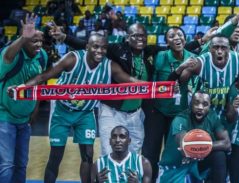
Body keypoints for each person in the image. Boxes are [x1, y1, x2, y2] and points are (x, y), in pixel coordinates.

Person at [16, 33, 140, 183]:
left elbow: (131, 81)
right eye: (95, 46)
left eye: (103, 48)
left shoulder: (109, 66)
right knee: (56, 156)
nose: (99, 51)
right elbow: (44, 76)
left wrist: (158, 87)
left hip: (86, 113)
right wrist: (21, 88)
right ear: (87, 46)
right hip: (62, 110)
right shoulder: (72, 59)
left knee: (88, 155)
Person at [50, 23, 167, 155]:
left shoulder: (149, 52)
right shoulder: (117, 49)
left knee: (133, 154)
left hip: (135, 114)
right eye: (136, 35)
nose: (140, 38)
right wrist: (64, 37)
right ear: (128, 38)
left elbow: (172, 48)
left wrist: (195, 44)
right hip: (112, 111)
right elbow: (88, 46)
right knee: (109, 152)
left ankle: (127, 176)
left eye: (143, 35)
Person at [143, 27, 196, 181]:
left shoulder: (193, 58)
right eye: (171, 36)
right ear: (166, 42)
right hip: (158, 111)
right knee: (150, 153)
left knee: (174, 154)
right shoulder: (160, 56)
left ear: (185, 39)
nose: (176, 38)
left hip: (179, 114)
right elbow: (155, 83)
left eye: (180, 34)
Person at [0, 14, 47, 183]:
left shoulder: (42, 56)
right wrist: (23, 38)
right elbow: (7, 55)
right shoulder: (11, 55)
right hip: (4, 118)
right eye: (34, 41)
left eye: (41, 41)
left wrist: (35, 110)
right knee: (6, 165)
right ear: (24, 40)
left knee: (21, 164)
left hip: (25, 120)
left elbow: (39, 85)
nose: (39, 45)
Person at [157, 91, 231, 183]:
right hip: (175, 166)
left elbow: (227, 143)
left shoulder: (212, 116)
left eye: (205, 104)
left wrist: (203, 147)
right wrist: (199, 148)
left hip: (196, 165)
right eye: (196, 103)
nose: (200, 107)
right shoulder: (181, 119)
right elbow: (184, 146)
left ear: (209, 106)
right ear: (190, 103)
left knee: (219, 155)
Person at [171, 34, 239, 117]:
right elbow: (181, 80)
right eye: (216, 47)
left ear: (229, 49)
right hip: (206, 113)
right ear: (209, 48)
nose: (219, 51)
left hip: (230, 111)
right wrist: (182, 84)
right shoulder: (201, 62)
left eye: (223, 47)